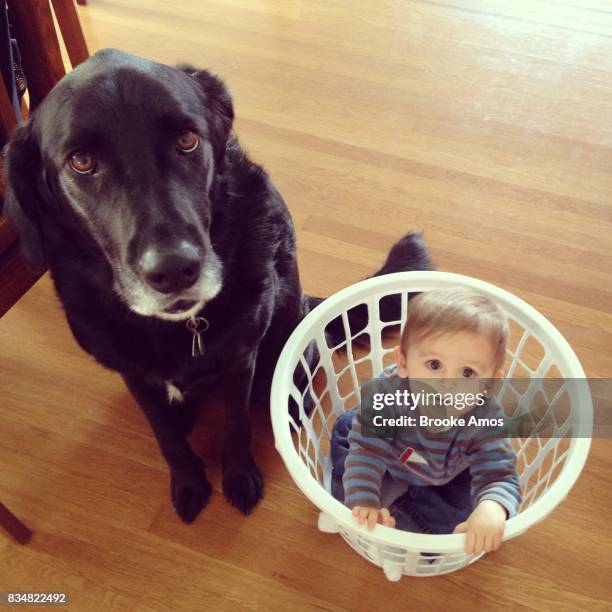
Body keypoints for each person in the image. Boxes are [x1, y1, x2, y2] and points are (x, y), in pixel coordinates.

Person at [329, 287, 521, 555]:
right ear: (403, 363)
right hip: (387, 455)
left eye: (467, 373)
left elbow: (499, 475)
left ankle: (397, 530)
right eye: (434, 365)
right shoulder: (387, 394)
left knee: (462, 515)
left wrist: (492, 508)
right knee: (346, 433)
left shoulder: (485, 419)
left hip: (446, 475)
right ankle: (348, 512)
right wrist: (363, 500)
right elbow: (366, 451)